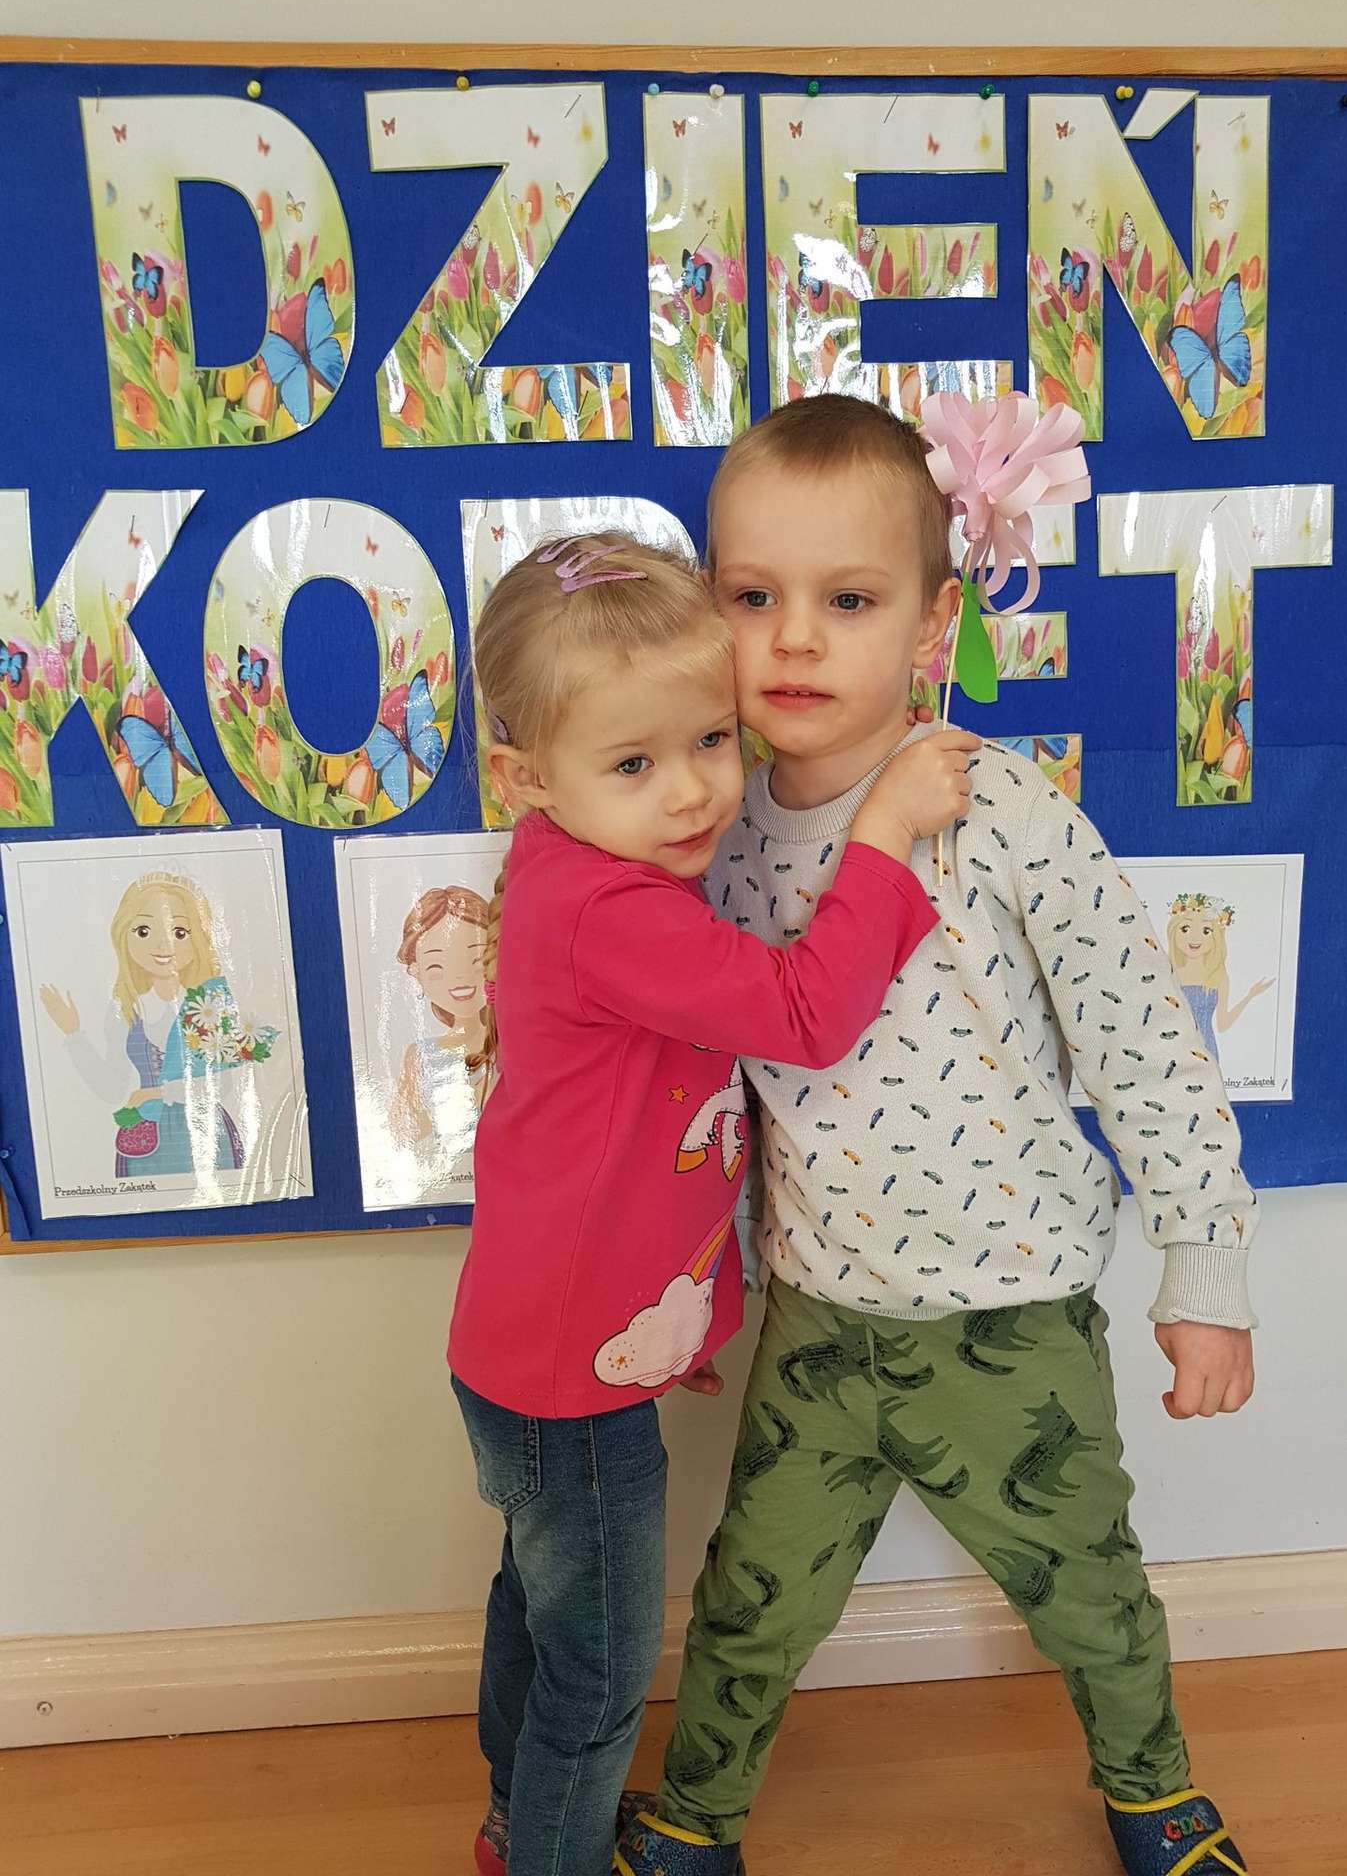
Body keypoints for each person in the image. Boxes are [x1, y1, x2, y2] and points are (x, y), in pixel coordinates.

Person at [619, 398, 1257, 1876]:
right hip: (819, 1323)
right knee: (749, 1601)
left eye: (847, 602)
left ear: (932, 621)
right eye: (751, 597)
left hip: (1010, 1322)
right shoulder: (710, 840)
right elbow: (693, 1094)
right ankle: (698, 1819)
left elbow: (1144, 1042)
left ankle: (1154, 1791)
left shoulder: (1000, 812)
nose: (793, 640)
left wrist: (1205, 1268)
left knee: (1090, 1593)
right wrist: (679, 1289)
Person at [450, 531, 978, 1876]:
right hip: (566, 1378)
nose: (692, 791)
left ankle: (517, 1826)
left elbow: (634, 1149)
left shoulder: (576, 870)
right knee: (599, 1671)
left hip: (544, 1350)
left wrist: (670, 1317)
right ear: (524, 777)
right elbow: (803, 1015)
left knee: (540, 1607)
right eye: (634, 765)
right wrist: (883, 831)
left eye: (709, 740)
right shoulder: (613, 913)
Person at [39, 871, 259, 1177]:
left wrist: (155, 1094)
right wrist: (73, 1034)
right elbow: (112, 1087)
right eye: (143, 930)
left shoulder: (210, 1002)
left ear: (199, 937)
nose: (163, 944)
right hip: (146, 1141)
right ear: (124, 935)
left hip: (206, 1135)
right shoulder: (127, 1008)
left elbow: (222, 1084)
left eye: (179, 932)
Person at [391, 883, 495, 1152]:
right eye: (437, 966)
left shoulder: (514, 1047)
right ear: (417, 971)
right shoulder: (420, 1057)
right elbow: (405, 1135)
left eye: (475, 959)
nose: (460, 976)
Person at [1167, 891, 1274, 1071]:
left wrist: (1250, 996)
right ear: (1174, 930)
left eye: (1206, 931)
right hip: (1174, 1048)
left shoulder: (1218, 976)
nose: (1195, 938)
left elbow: (1223, 1024)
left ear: (1216, 936)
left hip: (1206, 1049)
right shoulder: (1168, 971)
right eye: (1185, 929)